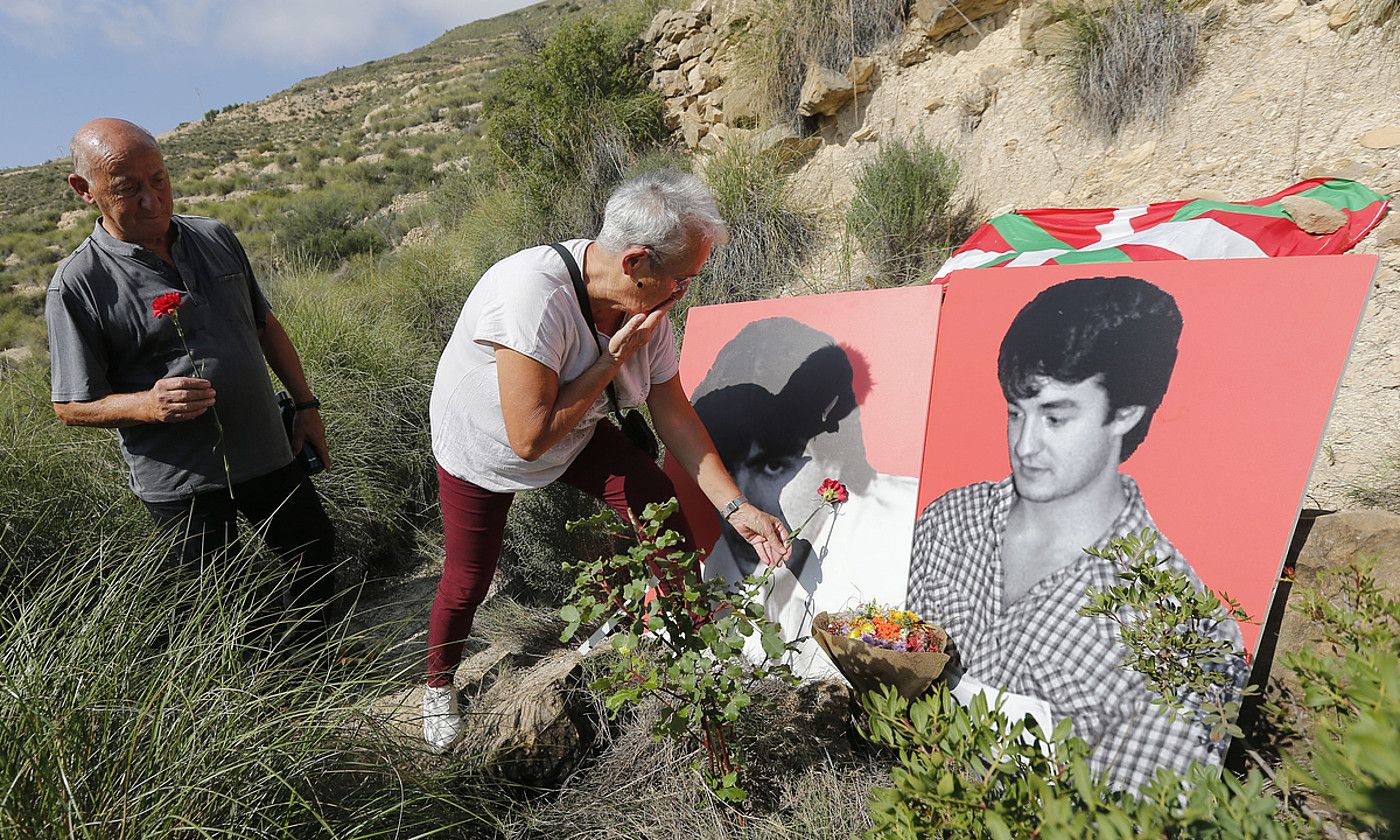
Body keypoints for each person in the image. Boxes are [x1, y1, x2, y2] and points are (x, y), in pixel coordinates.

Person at [425, 170, 791, 752]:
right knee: (468, 580)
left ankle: (694, 650)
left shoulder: (647, 307)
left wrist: (736, 506)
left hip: (574, 425)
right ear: (636, 262)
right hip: (488, 443)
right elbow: (528, 438)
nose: (684, 292)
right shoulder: (532, 294)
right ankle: (438, 687)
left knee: (655, 501)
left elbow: (674, 417)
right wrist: (610, 360)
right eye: (682, 278)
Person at [906, 275, 1245, 792]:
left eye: (1056, 417)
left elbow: (1139, 817)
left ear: (1125, 413)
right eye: (1015, 413)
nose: (1025, 445)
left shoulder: (1181, 627)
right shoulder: (952, 520)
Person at [46, 118, 336, 645]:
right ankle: (267, 702)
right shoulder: (77, 284)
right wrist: (146, 404)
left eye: (158, 179)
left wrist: (306, 405)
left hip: (267, 449)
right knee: (227, 602)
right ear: (84, 191)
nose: (152, 200)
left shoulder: (215, 237)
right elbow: (70, 405)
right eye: (127, 187)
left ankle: (324, 661)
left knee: (313, 554)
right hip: (181, 484)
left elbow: (264, 325)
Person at [693, 318, 919, 677]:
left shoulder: (910, 525)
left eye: (771, 466)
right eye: (723, 471)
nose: (738, 502)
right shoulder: (694, 579)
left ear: (832, 456)